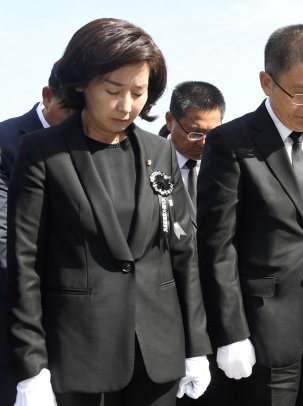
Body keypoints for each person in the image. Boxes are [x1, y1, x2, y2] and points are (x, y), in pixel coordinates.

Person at [7, 18, 212, 406]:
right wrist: (31, 367)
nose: (126, 105)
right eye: (113, 90)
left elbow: (182, 252)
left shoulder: (159, 151)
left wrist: (196, 345)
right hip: (78, 353)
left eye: (138, 92)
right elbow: (25, 265)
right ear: (82, 82)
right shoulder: (43, 153)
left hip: (158, 350)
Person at [196, 24, 303, 406]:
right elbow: (217, 246)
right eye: (302, 92)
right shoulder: (232, 143)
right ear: (266, 82)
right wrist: (231, 332)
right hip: (264, 327)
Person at [0, 60, 72, 406]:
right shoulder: (6, 140)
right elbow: (3, 237)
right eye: (69, 108)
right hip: (20, 297)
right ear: (47, 96)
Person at [165, 81, 225, 231]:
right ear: (170, 120)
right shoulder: (149, 162)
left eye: (212, 133)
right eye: (195, 134)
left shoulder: (226, 166)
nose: (204, 142)